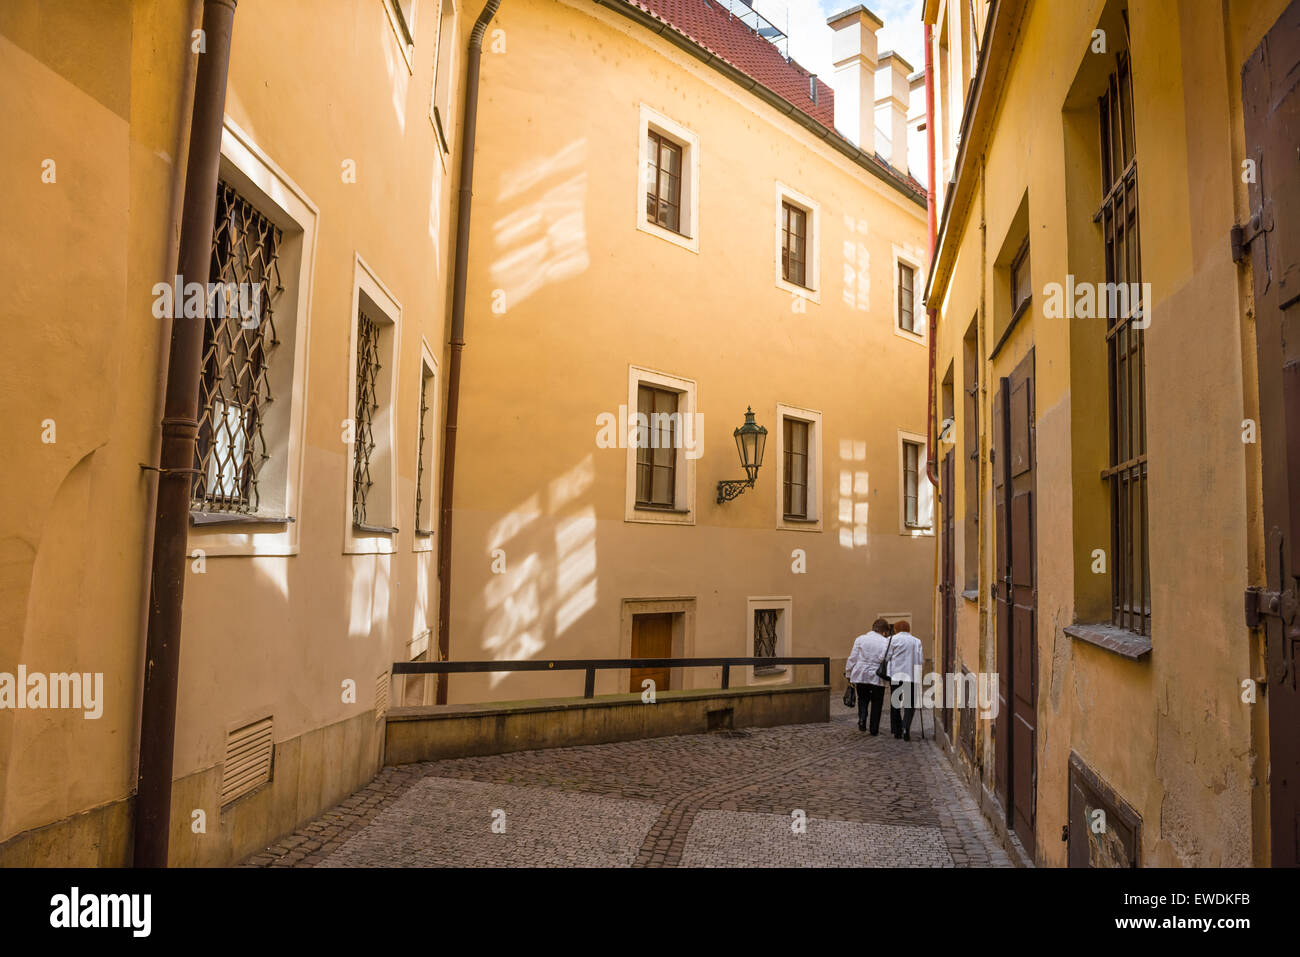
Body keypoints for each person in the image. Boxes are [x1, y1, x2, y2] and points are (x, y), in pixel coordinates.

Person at [845, 618, 891, 734]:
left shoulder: (860, 639)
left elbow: (853, 657)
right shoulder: (885, 642)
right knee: (877, 702)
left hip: (861, 674)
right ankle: (874, 729)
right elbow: (883, 658)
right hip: (877, 676)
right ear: (884, 632)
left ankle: (862, 720)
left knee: (863, 699)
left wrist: (848, 672)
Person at [887, 620, 924, 741]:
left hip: (896, 675)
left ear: (896, 629)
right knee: (910, 704)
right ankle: (905, 728)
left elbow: (886, 656)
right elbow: (920, 660)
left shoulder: (892, 640)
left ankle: (897, 731)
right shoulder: (916, 641)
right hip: (911, 675)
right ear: (909, 629)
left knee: (895, 703)